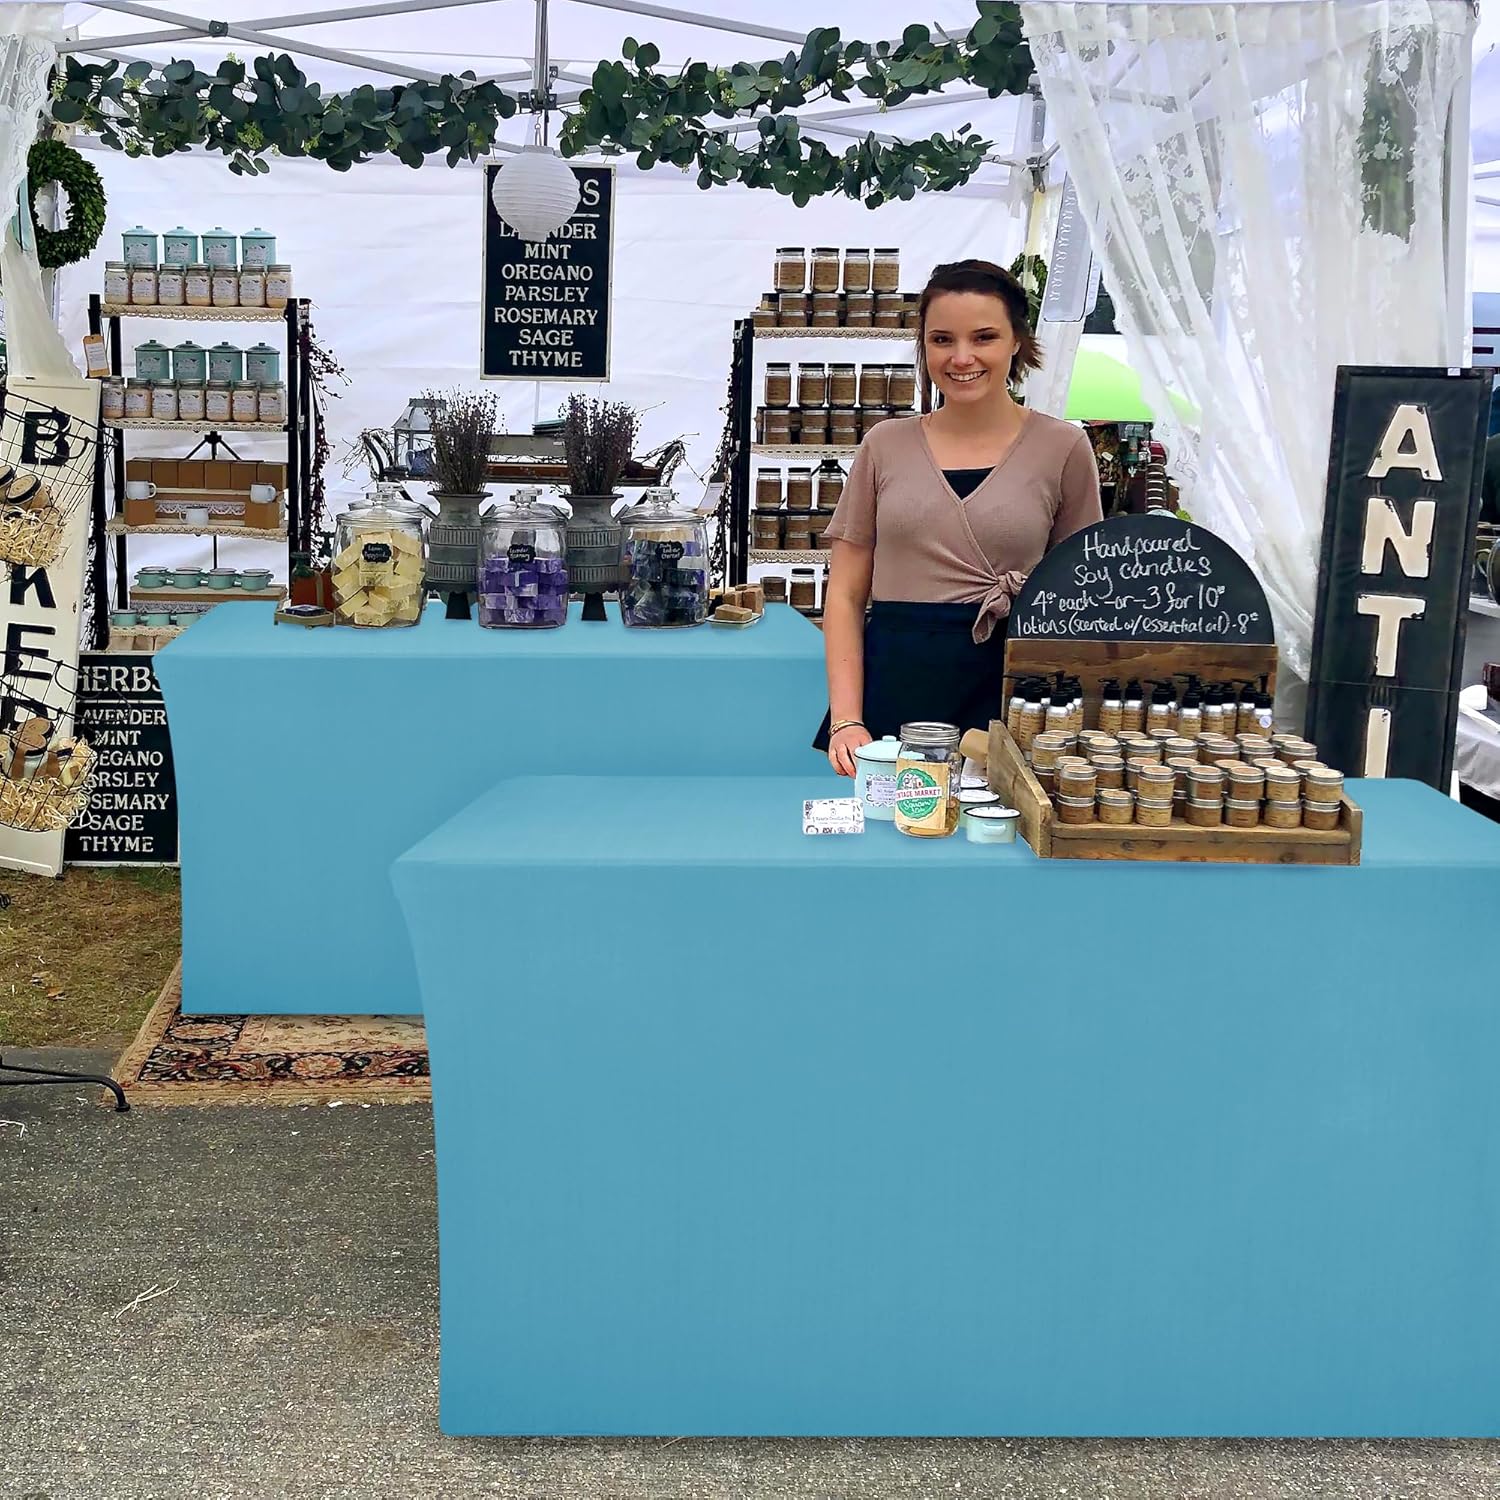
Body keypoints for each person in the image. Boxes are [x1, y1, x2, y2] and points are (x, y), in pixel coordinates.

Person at [815, 258, 1104, 774]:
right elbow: (845, 594)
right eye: (942, 340)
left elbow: (1081, 595)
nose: (962, 357)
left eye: (984, 337)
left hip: (1010, 691)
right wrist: (847, 718)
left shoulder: (1063, 447)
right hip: (896, 683)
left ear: (1017, 341)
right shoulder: (884, 445)